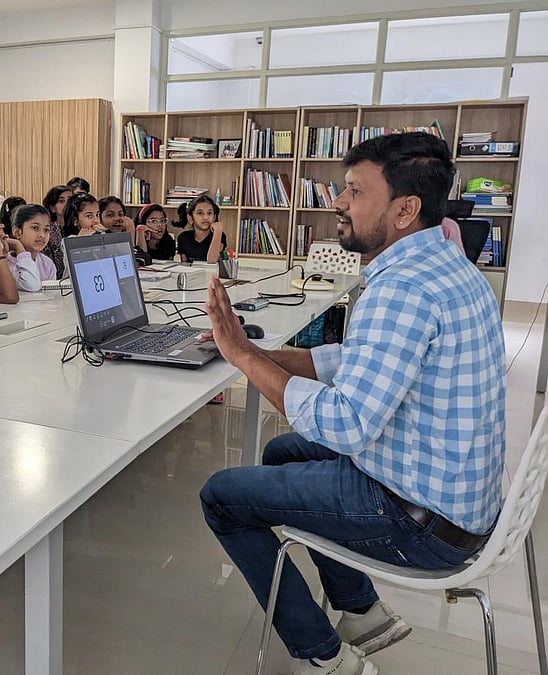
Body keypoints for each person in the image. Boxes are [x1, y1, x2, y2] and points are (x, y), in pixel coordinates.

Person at [199, 132, 505, 675]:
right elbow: (362, 358)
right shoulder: (447, 266)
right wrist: (261, 352)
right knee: (284, 452)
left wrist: (246, 363)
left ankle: (323, 656)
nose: (338, 202)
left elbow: (346, 425)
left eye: (354, 191)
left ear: (405, 209)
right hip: (452, 500)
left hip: (418, 522)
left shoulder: (402, 288)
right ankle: (362, 613)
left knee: (222, 496)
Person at [5, 204, 56, 291]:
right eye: (35, 228)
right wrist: (19, 248)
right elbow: (30, 285)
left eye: (46, 230)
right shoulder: (7, 264)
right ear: (17, 232)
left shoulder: (47, 264)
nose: (42, 235)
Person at [98, 196, 151, 266]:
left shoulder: (119, 237)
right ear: (99, 218)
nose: (117, 218)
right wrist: (130, 231)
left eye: (120, 214)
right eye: (110, 215)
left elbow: (146, 257)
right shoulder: (98, 237)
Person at [177, 195, 225, 263]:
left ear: (214, 217)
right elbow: (184, 264)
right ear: (190, 218)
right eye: (200, 213)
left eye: (209, 213)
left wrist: (218, 230)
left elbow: (212, 261)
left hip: (211, 272)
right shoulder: (183, 237)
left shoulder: (220, 235)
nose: (206, 217)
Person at [42, 185, 72, 278]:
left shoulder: (79, 226)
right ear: (52, 208)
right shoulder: (48, 230)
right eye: (61, 201)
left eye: (70, 200)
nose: (67, 204)